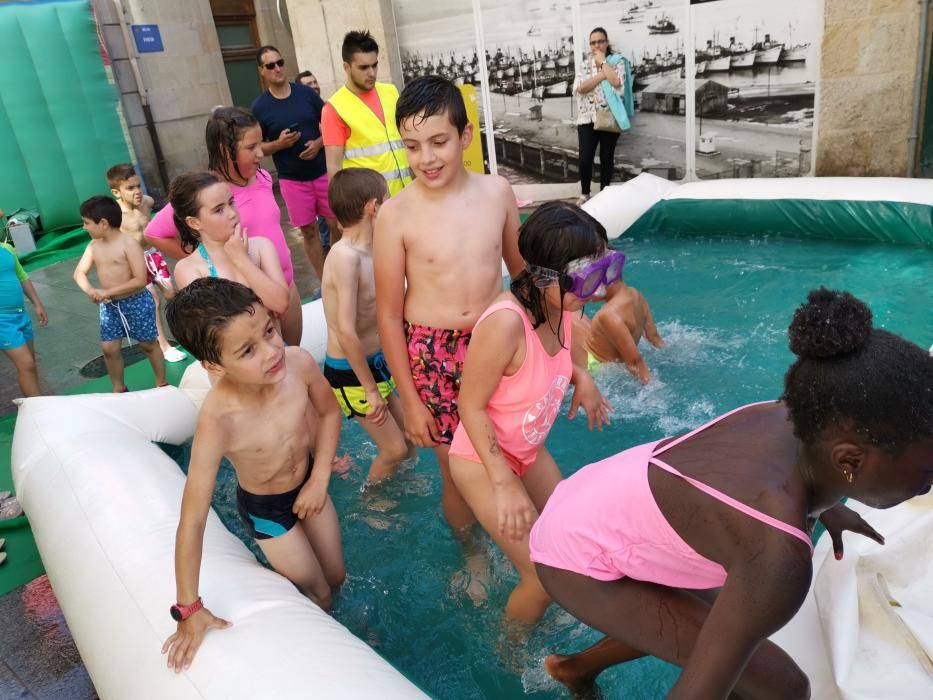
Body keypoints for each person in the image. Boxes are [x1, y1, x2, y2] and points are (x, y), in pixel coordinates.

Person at [529, 287, 933, 699]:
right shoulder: (779, 562)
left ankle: (573, 669)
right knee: (783, 688)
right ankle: (573, 667)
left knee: (726, 622)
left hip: (598, 494)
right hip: (577, 559)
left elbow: (803, 460)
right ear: (849, 461)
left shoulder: (802, 414)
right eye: (928, 471)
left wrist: (831, 510)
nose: (931, 484)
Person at [161, 277, 345, 671]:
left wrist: (320, 479)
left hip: (311, 483)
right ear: (213, 365)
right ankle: (327, 663)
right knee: (318, 592)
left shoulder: (299, 364)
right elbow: (192, 519)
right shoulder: (218, 419)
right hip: (269, 510)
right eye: (248, 350)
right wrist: (189, 607)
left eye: (269, 330)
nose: (271, 350)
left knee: (337, 576)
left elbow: (330, 413)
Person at [449, 202, 613, 624]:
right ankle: (510, 657)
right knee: (540, 579)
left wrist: (583, 378)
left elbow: (543, 362)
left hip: (528, 450)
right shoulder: (505, 324)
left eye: (606, 270)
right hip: (483, 463)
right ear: (543, 277)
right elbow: (470, 404)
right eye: (586, 278)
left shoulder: (564, 309)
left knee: (570, 532)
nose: (597, 289)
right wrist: (502, 483)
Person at [374, 75, 524, 529]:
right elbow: (387, 313)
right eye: (412, 146)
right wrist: (410, 399)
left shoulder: (496, 193)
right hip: (432, 355)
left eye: (438, 142)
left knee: (514, 452)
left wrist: (555, 345)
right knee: (455, 472)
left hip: (495, 342)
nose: (426, 158)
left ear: (464, 136)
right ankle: (472, 555)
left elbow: (521, 276)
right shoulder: (395, 215)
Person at [143, 107, 303, 346]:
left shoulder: (262, 177)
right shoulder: (207, 194)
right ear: (224, 150)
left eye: (260, 144)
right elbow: (154, 233)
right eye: (251, 148)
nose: (260, 153)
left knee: (291, 360)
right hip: (247, 298)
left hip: (284, 286)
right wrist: (205, 257)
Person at [322, 168, 413, 483]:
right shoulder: (344, 257)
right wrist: (371, 390)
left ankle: (400, 489)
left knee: (410, 441)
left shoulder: (374, 249)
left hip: (377, 362)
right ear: (373, 207)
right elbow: (345, 330)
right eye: (387, 199)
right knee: (394, 451)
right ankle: (371, 502)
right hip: (351, 371)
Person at [251, 46, 338, 279]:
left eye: (280, 62)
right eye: (270, 65)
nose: (277, 68)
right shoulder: (259, 107)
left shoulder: (305, 94)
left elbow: (331, 124)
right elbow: (256, 147)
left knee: (336, 224)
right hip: (292, 180)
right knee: (309, 232)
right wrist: (279, 144)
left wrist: (319, 143)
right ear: (262, 71)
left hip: (322, 172)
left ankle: (339, 271)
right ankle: (324, 280)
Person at [73, 196, 167, 392]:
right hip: (110, 307)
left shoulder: (128, 244)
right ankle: (119, 388)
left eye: (86, 223)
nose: (84, 227)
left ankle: (161, 383)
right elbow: (79, 273)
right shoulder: (93, 246)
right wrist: (91, 291)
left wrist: (106, 291)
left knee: (148, 344)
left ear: (104, 223)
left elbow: (140, 280)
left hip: (136, 302)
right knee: (109, 349)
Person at [168, 171, 288, 319]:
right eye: (219, 210)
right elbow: (217, 327)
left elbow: (281, 304)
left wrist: (242, 260)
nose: (232, 213)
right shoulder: (189, 268)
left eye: (231, 202)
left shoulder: (261, 246)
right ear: (194, 222)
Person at [106, 163, 186, 363]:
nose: (137, 192)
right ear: (116, 192)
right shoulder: (115, 213)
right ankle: (164, 346)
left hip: (153, 255)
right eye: (130, 188)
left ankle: (185, 333)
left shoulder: (147, 202)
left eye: (138, 186)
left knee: (171, 294)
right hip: (135, 262)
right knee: (153, 302)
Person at [322, 30, 412, 196]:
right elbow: (334, 168)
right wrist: (344, 215)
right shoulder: (334, 109)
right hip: (370, 205)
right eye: (364, 67)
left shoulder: (391, 92)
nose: (372, 73)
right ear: (346, 67)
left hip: (406, 195)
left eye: (375, 65)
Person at [573, 27, 633, 206]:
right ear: (590, 45)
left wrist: (602, 62)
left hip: (609, 116)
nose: (597, 45)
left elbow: (616, 82)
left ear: (607, 43)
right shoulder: (583, 64)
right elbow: (581, 88)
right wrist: (602, 73)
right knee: (585, 159)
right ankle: (585, 194)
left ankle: (605, 193)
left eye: (600, 41)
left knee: (607, 158)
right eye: (593, 42)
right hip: (587, 118)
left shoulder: (617, 62)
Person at [572, 273, 664, 383]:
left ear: (602, 283)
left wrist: (651, 385)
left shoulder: (608, 314)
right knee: (570, 312)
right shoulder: (636, 294)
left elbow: (635, 362)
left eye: (588, 285)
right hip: (612, 359)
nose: (584, 293)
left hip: (597, 368)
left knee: (561, 315)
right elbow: (653, 337)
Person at [1, 208, 48, 397]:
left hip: (21, 314)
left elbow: (22, 278)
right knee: (26, 364)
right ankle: (37, 411)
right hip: (2, 320)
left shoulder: (7, 250)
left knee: (30, 363)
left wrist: (37, 304)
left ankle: (37, 403)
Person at [296, 69, 331, 255]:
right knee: (320, 229)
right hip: (311, 177)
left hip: (331, 175)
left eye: (314, 82)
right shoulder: (303, 114)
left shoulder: (328, 108)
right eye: (308, 84)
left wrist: (318, 143)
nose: (314, 86)